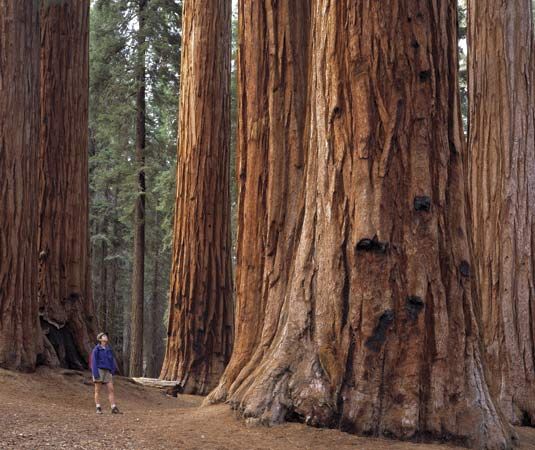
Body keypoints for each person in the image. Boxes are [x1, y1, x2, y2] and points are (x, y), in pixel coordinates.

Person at [90, 332, 121, 414]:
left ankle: (113, 407)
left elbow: (112, 361)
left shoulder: (108, 350)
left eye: (106, 336)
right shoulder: (96, 349)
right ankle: (98, 407)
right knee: (97, 390)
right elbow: (93, 362)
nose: (106, 337)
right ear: (100, 339)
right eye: (104, 336)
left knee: (111, 389)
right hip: (99, 370)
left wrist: (112, 371)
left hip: (107, 371)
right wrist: (95, 373)